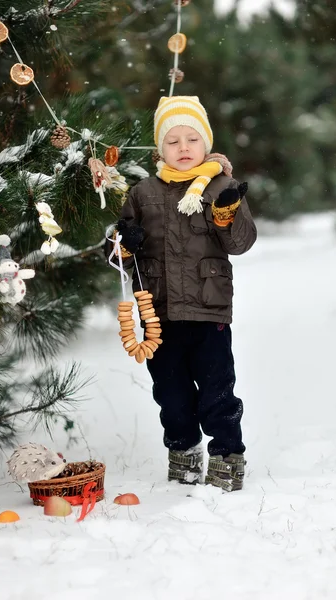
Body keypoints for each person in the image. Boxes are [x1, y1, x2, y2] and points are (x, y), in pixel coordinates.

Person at [109, 96, 257, 492]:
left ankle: (227, 454)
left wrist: (227, 214)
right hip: (158, 312)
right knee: (170, 393)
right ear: (160, 150)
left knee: (216, 389)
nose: (184, 147)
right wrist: (125, 239)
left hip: (209, 311)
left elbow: (241, 242)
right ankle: (184, 450)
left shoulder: (221, 186)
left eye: (192, 138)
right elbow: (117, 251)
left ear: (206, 144)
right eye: (173, 141)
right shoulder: (142, 193)